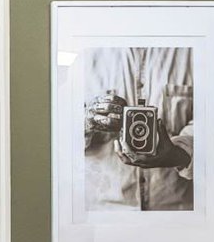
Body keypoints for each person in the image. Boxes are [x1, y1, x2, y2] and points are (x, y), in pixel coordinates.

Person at [80, 47, 194, 213]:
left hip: (177, 209)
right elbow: (56, 130)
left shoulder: (192, 51)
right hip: (104, 209)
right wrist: (85, 122)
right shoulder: (86, 53)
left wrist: (178, 154)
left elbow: (211, 120)